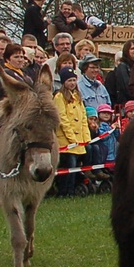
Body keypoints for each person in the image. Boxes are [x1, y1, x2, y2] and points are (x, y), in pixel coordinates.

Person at [52, 66, 91, 195]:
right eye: (69, 80)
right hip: (66, 140)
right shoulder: (59, 97)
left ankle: (72, 189)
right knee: (69, 165)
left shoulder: (78, 96)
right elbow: (62, 119)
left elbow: (83, 117)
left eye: (74, 80)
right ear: (64, 82)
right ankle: (64, 191)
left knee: (75, 166)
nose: (72, 83)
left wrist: (86, 137)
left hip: (79, 140)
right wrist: (72, 139)